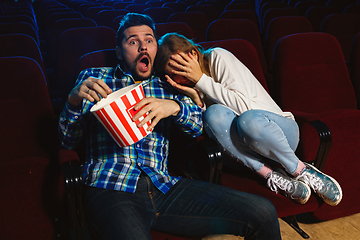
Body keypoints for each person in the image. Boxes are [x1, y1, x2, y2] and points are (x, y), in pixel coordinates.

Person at [58, 13, 282, 240]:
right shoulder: (95, 78)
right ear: (119, 52)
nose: (143, 47)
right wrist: (73, 101)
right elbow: (67, 141)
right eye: (133, 41)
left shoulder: (168, 84)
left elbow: (197, 128)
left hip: (164, 186)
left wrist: (175, 107)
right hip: (111, 187)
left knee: (263, 212)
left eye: (149, 40)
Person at [155, 32, 343, 206]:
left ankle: (301, 170)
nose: (179, 78)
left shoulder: (217, 57)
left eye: (181, 68)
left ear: (193, 54)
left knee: (248, 120)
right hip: (246, 151)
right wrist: (197, 98)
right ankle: (270, 175)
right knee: (213, 115)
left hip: (278, 132)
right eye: (172, 75)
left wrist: (201, 80)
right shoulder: (182, 87)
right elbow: (212, 131)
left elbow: (244, 108)